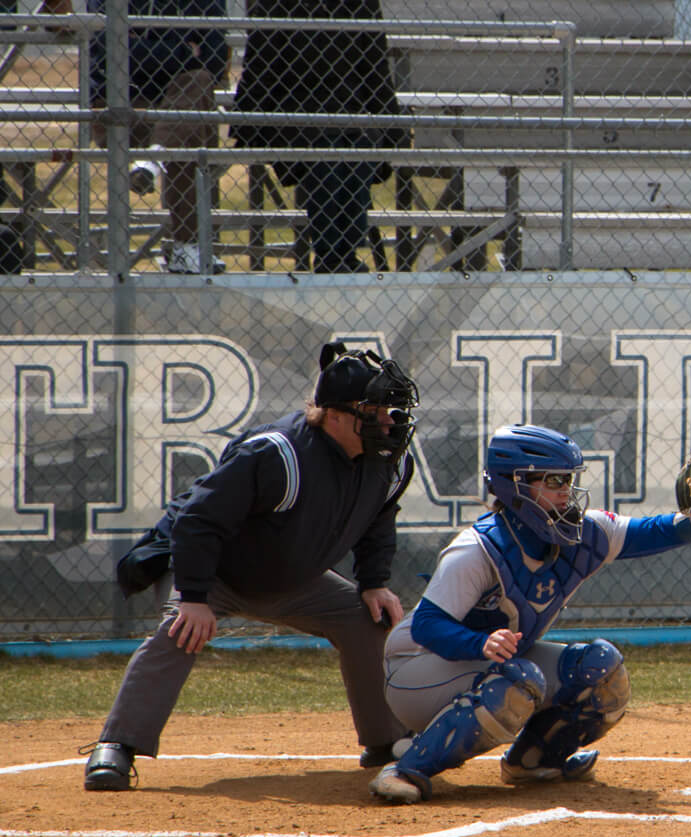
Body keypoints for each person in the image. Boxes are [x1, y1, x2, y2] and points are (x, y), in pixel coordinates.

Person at [82, 341, 421, 790]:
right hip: (215, 571)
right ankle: (118, 746)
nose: (388, 421)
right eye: (374, 410)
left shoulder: (386, 461)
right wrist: (197, 598)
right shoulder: (276, 454)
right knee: (180, 630)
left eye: (390, 410)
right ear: (335, 415)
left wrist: (374, 582)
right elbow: (198, 519)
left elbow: (378, 518)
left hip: (291, 578)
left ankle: (384, 740)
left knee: (366, 618)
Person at [367, 426, 691, 804]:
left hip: (491, 660)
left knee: (600, 667)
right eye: (554, 480)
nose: (566, 490)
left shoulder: (582, 532)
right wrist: (479, 642)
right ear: (515, 485)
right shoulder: (476, 550)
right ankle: (406, 767)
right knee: (518, 678)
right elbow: (427, 626)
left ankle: (534, 760)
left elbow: (654, 532)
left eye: (569, 479)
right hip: (418, 668)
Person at [49, 0, 229, 273]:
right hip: (119, 108)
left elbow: (215, 56)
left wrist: (148, 50)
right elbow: (112, 49)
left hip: (176, 103)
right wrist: (183, 53)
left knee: (198, 86)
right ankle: (186, 246)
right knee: (189, 124)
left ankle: (154, 163)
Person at [230, 0, 406, 273]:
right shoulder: (278, 5)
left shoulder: (359, 4)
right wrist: (246, 122)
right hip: (297, 108)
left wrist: (393, 127)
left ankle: (345, 252)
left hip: (351, 108)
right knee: (325, 144)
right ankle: (330, 254)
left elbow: (375, 67)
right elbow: (262, 64)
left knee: (363, 141)